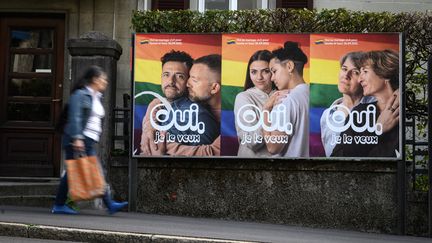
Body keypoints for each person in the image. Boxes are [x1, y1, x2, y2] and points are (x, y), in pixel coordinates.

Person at [52, 65, 128, 215]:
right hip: (79, 139)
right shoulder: (80, 95)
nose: (105, 82)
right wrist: (78, 138)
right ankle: (108, 204)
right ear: (94, 80)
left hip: (88, 140)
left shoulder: (96, 97)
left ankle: (61, 204)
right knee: (85, 171)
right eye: (103, 79)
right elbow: (75, 117)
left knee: (81, 172)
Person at [140, 51, 219, 156]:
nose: (171, 81)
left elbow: (206, 160)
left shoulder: (198, 114)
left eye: (180, 76)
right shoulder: (158, 106)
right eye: (166, 74)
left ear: (187, 81)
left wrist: (162, 148)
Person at [331, 49, 400, 157]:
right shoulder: (360, 112)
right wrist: (377, 130)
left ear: (385, 74)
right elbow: (337, 156)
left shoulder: (407, 110)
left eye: (365, 72)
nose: (360, 79)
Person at [320, 52, 376, 157]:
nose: (346, 75)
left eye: (355, 72)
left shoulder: (376, 108)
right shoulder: (327, 115)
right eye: (344, 69)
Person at [262, 41, 309, 157]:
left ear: (289, 66)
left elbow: (273, 147)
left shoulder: (284, 100)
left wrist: (265, 111)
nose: (272, 78)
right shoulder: (311, 94)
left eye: (274, 71)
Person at [234, 50, 275, 157]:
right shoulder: (244, 97)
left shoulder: (284, 95)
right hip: (251, 163)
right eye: (254, 72)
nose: (259, 77)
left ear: (274, 71)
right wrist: (267, 110)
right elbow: (252, 141)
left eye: (265, 71)